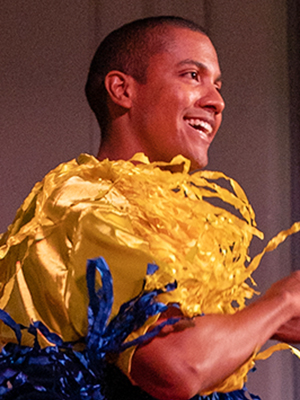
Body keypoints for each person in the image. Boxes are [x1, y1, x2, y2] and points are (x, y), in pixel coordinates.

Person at [0, 16, 300, 400]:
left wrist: (269, 320)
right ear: (122, 90)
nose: (216, 101)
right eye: (192, 75)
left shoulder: (155, 214)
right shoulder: (86, 206)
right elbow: (178, 367)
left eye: (217, 85)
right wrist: (283, 301)